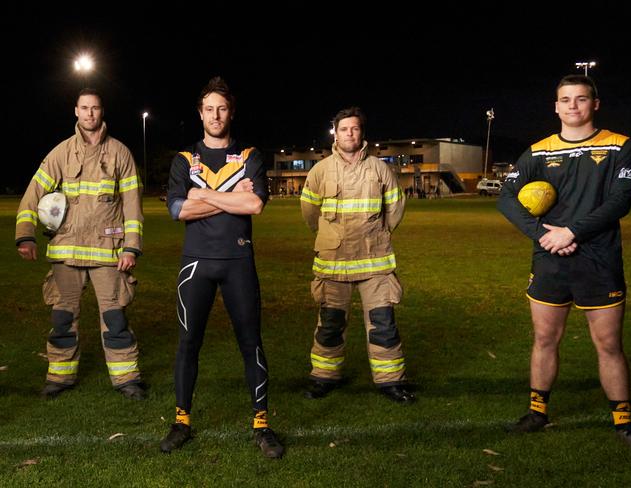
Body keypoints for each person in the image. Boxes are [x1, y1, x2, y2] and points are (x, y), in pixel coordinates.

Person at [497, 75, 631, 454]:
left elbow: (620, 201)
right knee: (545, 339)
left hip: (598, 260)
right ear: (556, 106)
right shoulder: (538, 152)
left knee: (609, 344)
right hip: (549, 259)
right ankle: (537, 413)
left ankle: (624, 422)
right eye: (565, 100)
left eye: (581, 99)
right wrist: (542, 234)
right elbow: (506, 197)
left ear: (594, 104)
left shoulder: (619, 146)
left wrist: (571, 233)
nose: (572, 106)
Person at [160, 77, 283, 458]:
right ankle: (182, 421)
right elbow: (178, 210)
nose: (216, 115)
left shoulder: (250, 156)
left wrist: (204, 195)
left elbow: (256, 206)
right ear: (200, 113)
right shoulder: (184, 160)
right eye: (209, 109)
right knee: (188, 345)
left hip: (238, 263)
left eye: (223, 108)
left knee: (251, 344)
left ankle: (262, 425)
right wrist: (232, 196)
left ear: (232, 112)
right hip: (195, 264)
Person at [15, 88, 145, 400]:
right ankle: (59, 378)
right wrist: (25, 234)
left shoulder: (120, 154)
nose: (89, 114)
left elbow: (132, 206)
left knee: (115, 319)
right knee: (62, 318)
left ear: (102, 111)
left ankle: (127, 379)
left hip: (107, 253)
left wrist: (131, 247)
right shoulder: (60, 153)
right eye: (84, 108)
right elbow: (32, 195)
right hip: (66, 252)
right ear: (76, 111)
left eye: (95, 108)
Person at [300, 107, 415, 404]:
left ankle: (391, 381)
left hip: (374, 261)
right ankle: (324, 376)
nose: (350, 133)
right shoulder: (320, 170)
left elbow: (395, 209)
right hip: (333, 261)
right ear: (335, 134)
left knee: (383, 323)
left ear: (361, 132)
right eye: (344, 129)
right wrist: (327, 235)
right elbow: (310, 212)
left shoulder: (380, 168)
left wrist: (379, 234)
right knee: (330, 323)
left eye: (355, 128)